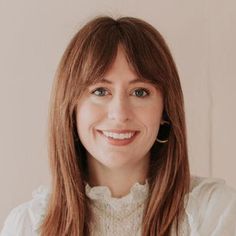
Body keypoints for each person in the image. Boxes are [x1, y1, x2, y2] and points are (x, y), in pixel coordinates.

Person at [1, 16, 236, 236]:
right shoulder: (28, 226)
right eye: (100, 91)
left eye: (140, 92)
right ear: (72, 108)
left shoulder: (213, 212)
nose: (120, 114)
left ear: (165, 110)